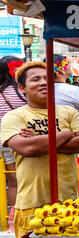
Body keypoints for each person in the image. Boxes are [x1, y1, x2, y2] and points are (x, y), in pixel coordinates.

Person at [0, 61, 79, 238]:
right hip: (32, 202)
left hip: (69, 202)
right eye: (35, 79)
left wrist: (42, 141)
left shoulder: (68, 112)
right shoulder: (14, 117)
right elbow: (27, 148)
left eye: (46, 78)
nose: (42, 83)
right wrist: (63, 134)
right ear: (22, 88)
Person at [0, 56, 26, 209]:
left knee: (10, 182)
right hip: (18, 140)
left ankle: (9, 218)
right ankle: (18, 214)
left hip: (2, 141)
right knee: (19, 182)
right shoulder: (22, 92)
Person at [51, 55, 79, 121]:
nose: (70, 66)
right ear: (61, 69)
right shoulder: (73, 90)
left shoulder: (42, 90)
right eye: (68, 64)